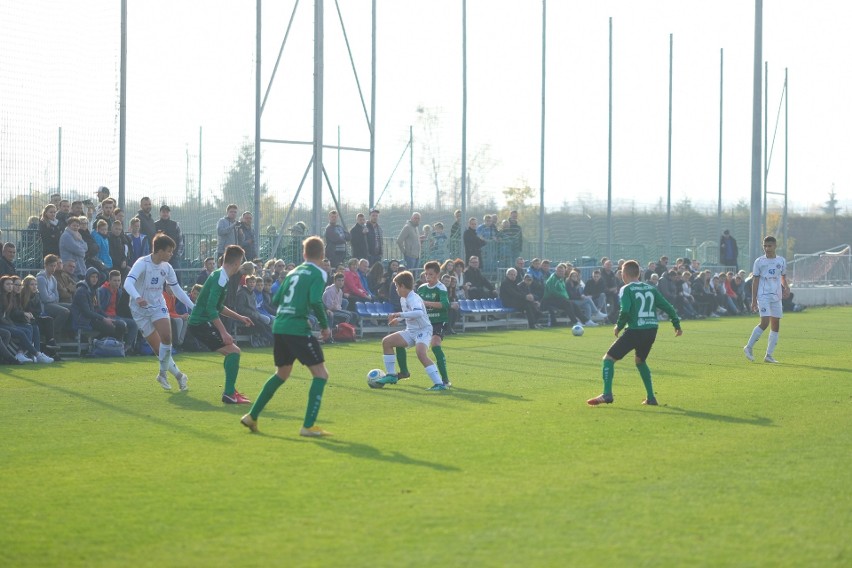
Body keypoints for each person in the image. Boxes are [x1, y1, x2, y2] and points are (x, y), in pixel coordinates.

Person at [240, 236, 333, 436]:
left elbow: (277, 297)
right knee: (321, 374)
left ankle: (252, 416)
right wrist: (325, 326)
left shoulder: (293, 272)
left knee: (281, 374)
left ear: (304, 253)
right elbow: (316, 301)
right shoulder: (318, 273)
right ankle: (308, 426)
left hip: (280, 326)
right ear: (322, 254)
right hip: (297, 328)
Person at [587, 260, 682, 407]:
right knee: (640, 361)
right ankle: (651, 397)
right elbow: (668, 306)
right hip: (651, 330)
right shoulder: (650, 288)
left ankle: (607, 394)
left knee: (608, 359)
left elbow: (625, 310)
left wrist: (618, 326)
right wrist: (676, 324)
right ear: (639, 273)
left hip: (636, 330)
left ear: (624, 274)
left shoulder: (626, 289)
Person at [124, 233, 195, 391]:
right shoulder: (142, 263)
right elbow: (128, 283)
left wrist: (192, 306)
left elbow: (177, 290)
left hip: (158, 305)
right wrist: (137, 297)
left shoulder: (167, 267)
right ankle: (179, 376)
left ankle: (162, 373)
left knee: (167, 338)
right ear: (159, 251)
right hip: (139, 309)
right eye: (169, 251)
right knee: (158, 349)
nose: (171, 254)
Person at [187, 244, 255, 404]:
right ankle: (229, 393)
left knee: (232, 352)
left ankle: (230, 391)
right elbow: (211, 308)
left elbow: (218, 306)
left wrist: (240, 317)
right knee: (234, 352)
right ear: (237, 263)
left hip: (201, 322)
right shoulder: (220, 278)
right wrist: (224, 332)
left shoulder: (220, 275)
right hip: (200, 324)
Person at [393, 261, 452, 385]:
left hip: (438, 321)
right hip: (424, 323)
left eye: (431, 274)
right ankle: (404, 371)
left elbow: (445, 304)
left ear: (437, 274)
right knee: (399, 343)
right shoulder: (421, 288)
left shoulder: (441, 287)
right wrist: (398, 319)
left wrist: (426, 303)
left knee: (435, 345)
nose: (428, 277)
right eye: (426, 274)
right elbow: (413, 308)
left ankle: (445, 379)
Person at [743, 236, 789, 364]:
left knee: (776, 325)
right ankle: (748, 347)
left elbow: (783, 277)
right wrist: (753, 300)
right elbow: (755, 281)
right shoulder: (759, 262)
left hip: (776, 296)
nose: (767, 248)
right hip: (763, 296)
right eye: (765, 246)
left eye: (769, 246)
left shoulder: (782, 261)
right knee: (764, 323)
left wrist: (786, 287)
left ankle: (768, 355)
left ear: (775, 246)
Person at [71, 267, 128, 343]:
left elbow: (98, 309)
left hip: (94, 319)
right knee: (110, 328)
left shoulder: (95, 290)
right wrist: (103, 319)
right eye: (92, 277)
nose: (95, 279)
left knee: (121, 325)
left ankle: (117, 346)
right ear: (88, 277)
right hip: (84, 320)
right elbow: (87, 312)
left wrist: (107, 318)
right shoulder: (81, 291)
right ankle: (99, 344)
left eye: (96, 277)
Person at [97, 270, 139, 353]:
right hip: (105, 317)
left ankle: (126, 347)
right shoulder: (102, 290)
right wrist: (106, 317)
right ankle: (118, 346)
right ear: (109, 280)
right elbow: (98, 308)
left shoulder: (119, 291)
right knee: (121, 324)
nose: (117, 283)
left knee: (134, 323)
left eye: (119, 280)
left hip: (115, 316)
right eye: (115, 280)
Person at [37, 254, 72, 339]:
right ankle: (52, 334)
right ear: (45, 266)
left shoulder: (53, 279)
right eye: (51, 266)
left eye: (55, 266)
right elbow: (45, 298)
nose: (53, 268)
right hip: (43, 306)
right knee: (64, 311)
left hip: (52, 303)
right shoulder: (41, 278)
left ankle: (67, 333)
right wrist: (52, 296)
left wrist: (51, 296)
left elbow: (57, 297)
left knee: (73, 307)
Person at [154, 205, 183, 269]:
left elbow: (180, 241)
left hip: (173, 257)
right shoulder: (155, 225)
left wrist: (177, 255)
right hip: (160, 257)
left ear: (169, 213)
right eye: (163, 212)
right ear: (160, 213)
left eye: (167, 212)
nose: (165, 214)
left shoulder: (175, 225)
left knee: (177, 275)